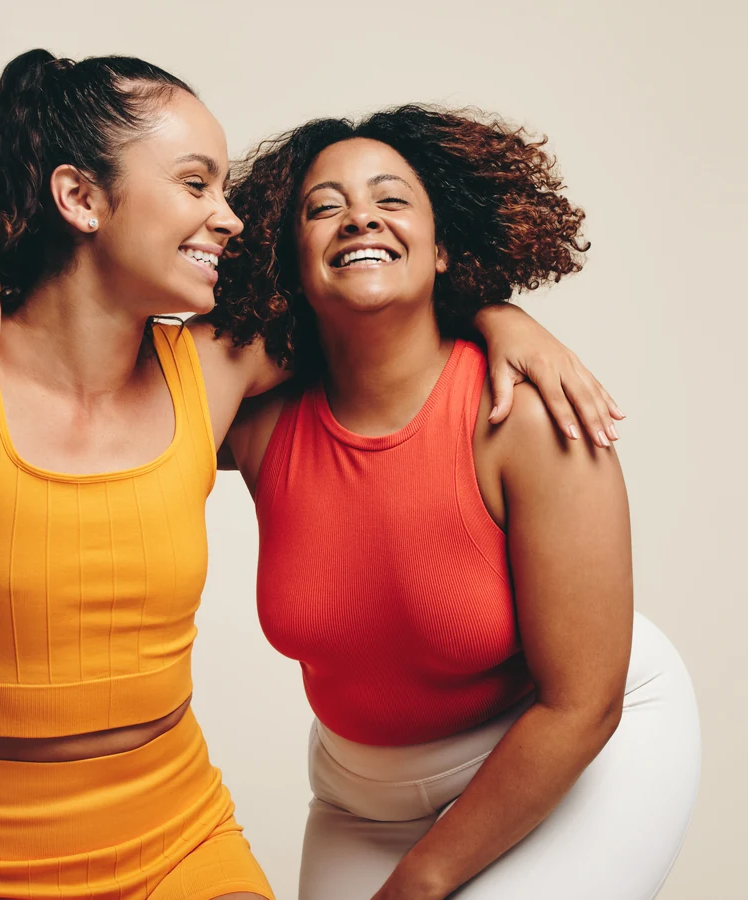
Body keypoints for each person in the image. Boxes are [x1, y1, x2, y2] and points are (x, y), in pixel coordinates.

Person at [0, 53, 620, 900]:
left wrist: (499, 316)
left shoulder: (216, 370)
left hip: (176, 838)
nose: (231, 218)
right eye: (194, 183)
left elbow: (376, 298)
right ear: (80, 199)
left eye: (225, 189)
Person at [219, 107, 702, 900]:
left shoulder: (528, 414)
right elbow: (104, 381)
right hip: (359, 798)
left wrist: (423, 881)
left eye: (391, 198)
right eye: (324, 206)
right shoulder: (256, 423)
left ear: (441, 248)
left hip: (573, 745)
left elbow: (583, 704)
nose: (360, 216)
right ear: (290, 257)